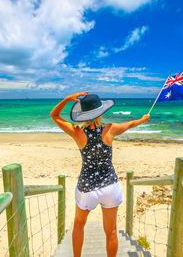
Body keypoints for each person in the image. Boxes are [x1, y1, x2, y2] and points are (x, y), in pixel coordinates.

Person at [50, 92, 150, 257]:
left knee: (79, 225)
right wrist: (143, 120)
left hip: (87, 188)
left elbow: (54, 115)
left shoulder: (77, 132)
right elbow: (131, 123)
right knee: (111, 231)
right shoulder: (110, 129)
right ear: (100, 111)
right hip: (110, 186)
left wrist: (67, 99)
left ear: (82, 114)